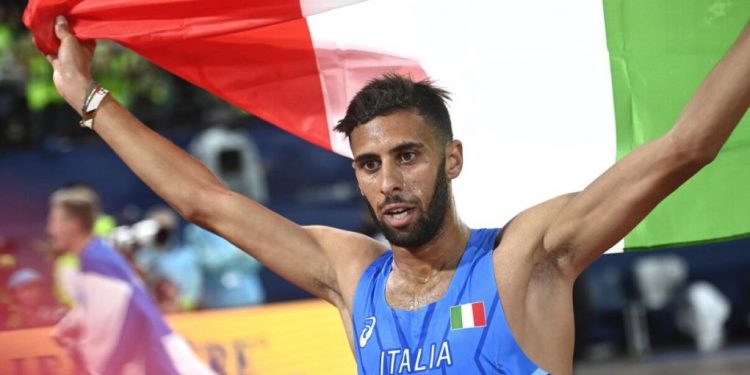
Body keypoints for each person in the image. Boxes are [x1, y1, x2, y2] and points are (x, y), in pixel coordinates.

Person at [44, 14, 750, 374]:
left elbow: (685, 146)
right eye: (370, 163)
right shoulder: (351, 276)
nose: (389, 181)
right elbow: (205, 202)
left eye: (407, 156)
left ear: (453, 159)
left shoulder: (524, 258)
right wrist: (87, 96)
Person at [46, 185, 213, 374]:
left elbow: (117, 322)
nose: (50, 229)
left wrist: (84, 347)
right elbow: (111, 309)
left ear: (73, 225)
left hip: (160, 361)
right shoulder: (97, 256)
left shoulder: (96, 260)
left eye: (54, 220)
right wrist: (76, 322)